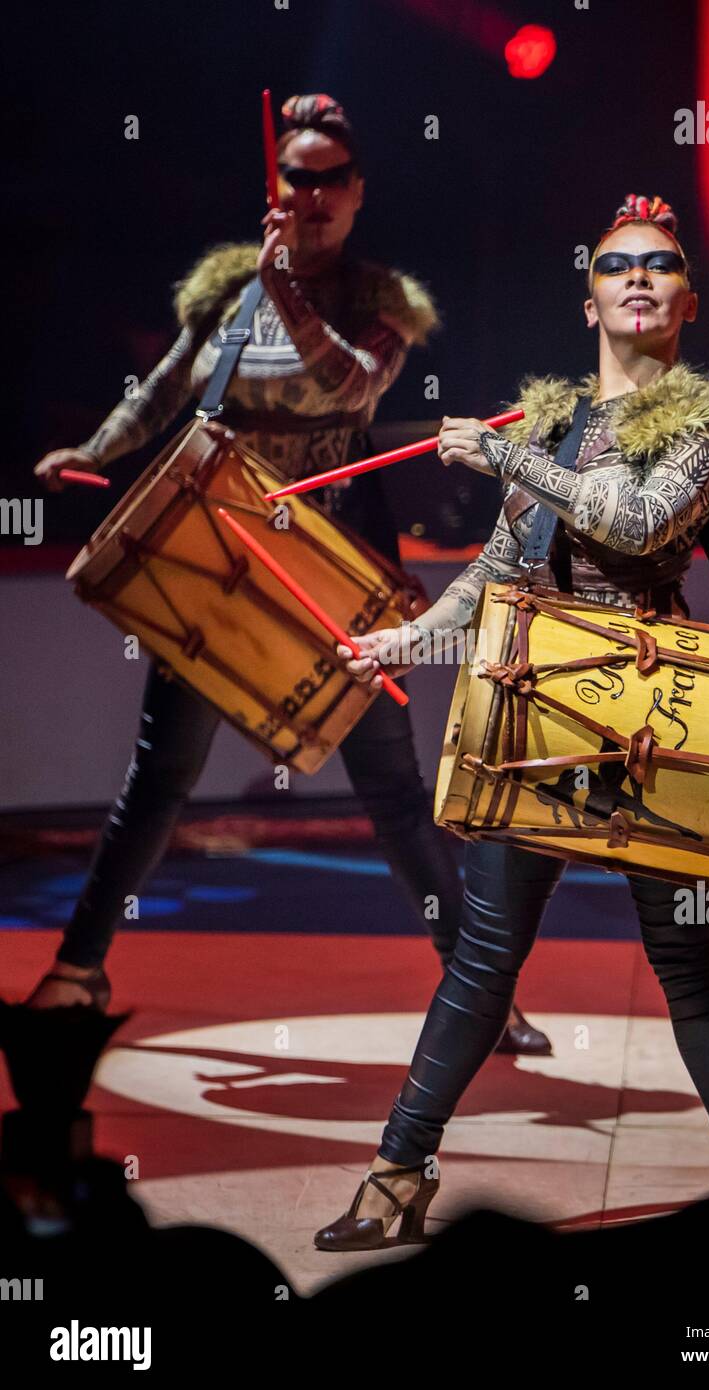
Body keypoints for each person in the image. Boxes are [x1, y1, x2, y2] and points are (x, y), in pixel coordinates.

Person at [27, 92, 548, 1055]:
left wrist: (289, 292)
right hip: (223, 549)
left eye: (325, 182)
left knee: (390, 788)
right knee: (162, 774)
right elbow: (169, 386)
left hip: (332, 560)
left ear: (355, 195)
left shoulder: (379, 301)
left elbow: (348, 382)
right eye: (293, 178)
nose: (307, 197)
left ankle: (481, 995)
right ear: (279, 185)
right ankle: (77, 970)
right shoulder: (230, 291)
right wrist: (91, 449)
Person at [315, 194, 709, 1252]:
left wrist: (503, 457)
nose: (638, 278)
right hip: (538, 706)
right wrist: (407, 640)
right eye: (616, 265)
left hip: (649, 708)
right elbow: (492, 571)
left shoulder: (697, 426)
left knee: (685, 957)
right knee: (481, 957)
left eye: (659, 265)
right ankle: (395, 1176)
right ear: (589, 300)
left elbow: (635, 521)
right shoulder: (554, 417)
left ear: (686, 300)